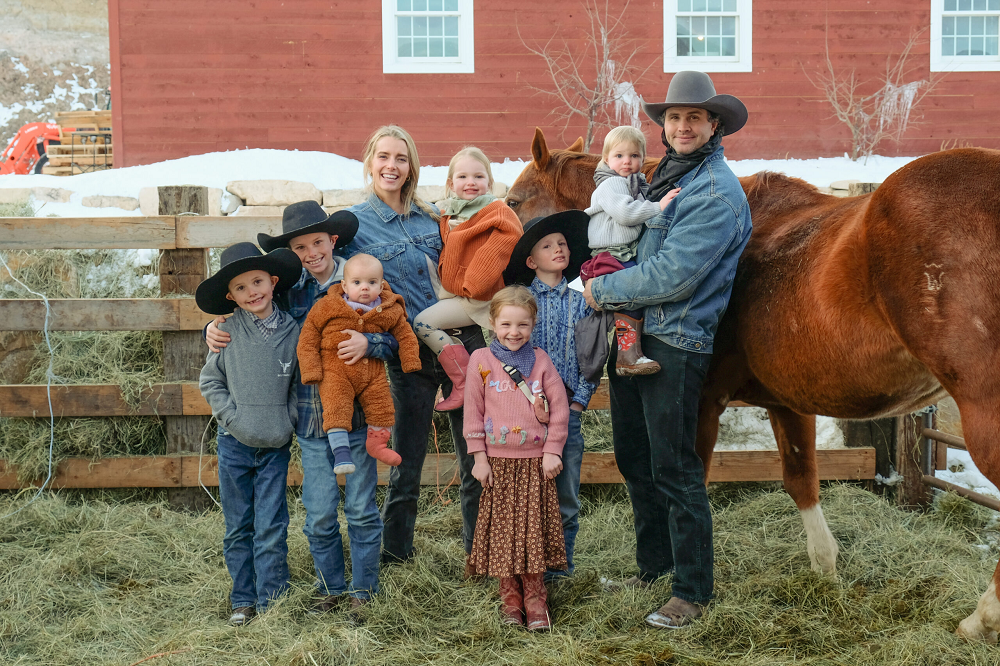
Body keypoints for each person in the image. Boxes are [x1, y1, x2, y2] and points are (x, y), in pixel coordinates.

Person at [582, 70, 752, 629]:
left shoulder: (715, 193)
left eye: (694, 118)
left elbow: (673, 276)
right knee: (636, 458)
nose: (681, 125)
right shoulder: (663, 179)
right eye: (674, 118)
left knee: (676, 467)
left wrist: (599, 289)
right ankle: (653, 566)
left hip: (676, 340)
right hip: (636, 337)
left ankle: (691, 589)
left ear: (714, 125)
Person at [206, 200, 394, 612]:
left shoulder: (364, 279)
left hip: (359, 417)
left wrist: (372, 342)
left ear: (333, 240)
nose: (311, 253)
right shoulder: (289, 293)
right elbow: (256, 322)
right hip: (311, 421)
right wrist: (214, 326)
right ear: (290, 256)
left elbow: (398, 331)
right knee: (320, 515)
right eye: (300, 248)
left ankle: (363, 591)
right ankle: (331, 589)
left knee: (361, 508)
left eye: (317, 243)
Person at [341, 125, 486, 568]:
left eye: (401, 158)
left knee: (475, 452)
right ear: (370, 162)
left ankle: (478, 551)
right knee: (406, 454)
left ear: (412, 166)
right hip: (409, 350)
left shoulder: (435, 214)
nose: (392, 166)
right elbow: (327, 278)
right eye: (383, 156)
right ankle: (395, 551)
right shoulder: (353, 224)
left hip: (466, 339)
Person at [195, 242, 303, 625]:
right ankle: (243, 598)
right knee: (239, 524)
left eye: (257, 281)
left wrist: (287, 420)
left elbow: (298, 386)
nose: (252, 292)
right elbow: (211, 382)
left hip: (275, 444)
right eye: (241, 288)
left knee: (271, 524)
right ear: (230, 296)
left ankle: (273, 598)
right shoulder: (225, 332)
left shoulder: (293, 332)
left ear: (273, 282)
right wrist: (231, 418)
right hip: (234, 443)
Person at [464, 285, 569, 630]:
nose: (514, 332)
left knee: (533, 530)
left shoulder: (540, 362)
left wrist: (552, 450)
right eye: (506, 324)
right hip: (498, 464)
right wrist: (479, 457)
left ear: (533, 323)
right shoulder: (481, 361)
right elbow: (473, 412)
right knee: (504, 533)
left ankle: (536, 598)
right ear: (493, 323)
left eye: (522, 325)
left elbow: (559, 410)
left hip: (535, 463)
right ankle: (510, 597)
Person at [502, 210, 595, 580]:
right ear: (531, 260)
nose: (557, 249)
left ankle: (561, 570)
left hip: (565, 413)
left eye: (562, 244)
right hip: (523, 415)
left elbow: (592, 357)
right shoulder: (521, 304)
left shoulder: (583, 303)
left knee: (566, 496)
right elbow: (505, 352)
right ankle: (525, 573)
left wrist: (578, 401)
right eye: (547, 245)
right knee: (524, 495)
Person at [411, 146, 521, 412]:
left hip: (477, 295)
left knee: (423, 323)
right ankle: (476, 378)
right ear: (450, 184)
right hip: (456, 291)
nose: (470, 182)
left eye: (478, 177)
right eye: (462, 177)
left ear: (490, 183)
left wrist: (473, 283)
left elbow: (502, 245)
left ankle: (463, 380)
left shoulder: (497, 211)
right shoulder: (448, 212)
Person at [297, 253, 422, 471]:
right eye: (357, 283)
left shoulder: (388, 308)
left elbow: (405, 334)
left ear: (382, 284)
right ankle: (341, 453)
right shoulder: (328, 306)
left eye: (372, 283)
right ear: (344, 286)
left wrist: (410, 360)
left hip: (372, 373)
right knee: (336, 407)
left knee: (382, 406)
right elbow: (308, 337)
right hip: (336, 371)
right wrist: (311, 371)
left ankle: (378, 445)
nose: (365, 288)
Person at [580, 125, 680, 377]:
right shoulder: (611, 185)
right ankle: (627, 356)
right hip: (609, 253)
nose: (627, 161)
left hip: (622, 250)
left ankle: (626, 352)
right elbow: (625, 214)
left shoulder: (633, 184)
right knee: (632, 288)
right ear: (606, 159)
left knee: (634, 288)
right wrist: (659, 206)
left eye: (634, 156)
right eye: (619, 156)